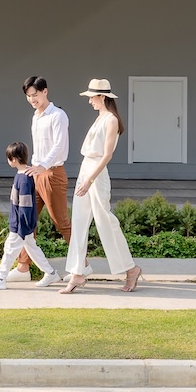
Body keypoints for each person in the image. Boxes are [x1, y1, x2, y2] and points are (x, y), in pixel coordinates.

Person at [60, 78, 141, 293]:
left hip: (96, 173)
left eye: (92, 97)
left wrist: (89, 180)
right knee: (78, 221)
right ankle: (77, 273)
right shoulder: (100, 118)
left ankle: (131, 269)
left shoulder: (111, 120)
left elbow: (107, 155)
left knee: (105, 221)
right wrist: (85, 178)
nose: (90, 101)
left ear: (102, 97)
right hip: (86, 168)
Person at [11, 75, 71, 280]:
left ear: (45, 91)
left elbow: (59, 146)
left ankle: (81, 266)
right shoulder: (35, 116)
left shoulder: (58, 115)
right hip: (36, 172)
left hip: (52, 173)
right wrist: (32, 167)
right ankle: (23, 268)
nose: (32, 99)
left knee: (61, 223)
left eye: (35, 95)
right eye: (28, 96)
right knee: (27, 220)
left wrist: (42, 166)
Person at [0, 142, 63, 289]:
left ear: (14, 159)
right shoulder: (23, 175)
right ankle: (51, 273)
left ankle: (1, 278)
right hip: (23, 225)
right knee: (32, 249)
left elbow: (25, 206)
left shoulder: (24, 178)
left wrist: (22, 226)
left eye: (9, 158)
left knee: (10, 250)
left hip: (20, 225)